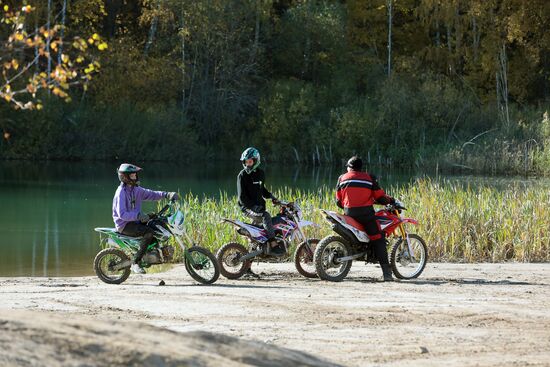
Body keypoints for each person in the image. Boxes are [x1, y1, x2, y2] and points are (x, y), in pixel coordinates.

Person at [335, 156, 395, 281]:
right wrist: (391, 200)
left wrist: (349, 205)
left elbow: (338, 201)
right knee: (378, 239)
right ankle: (387, 274)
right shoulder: (369, 178)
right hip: (366, 215)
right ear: (361, 167)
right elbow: (380, 198)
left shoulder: (341, 178)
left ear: (349, 167)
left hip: (348, 215)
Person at [112, 163, 179, 274]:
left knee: (155, 226)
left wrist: (167, 194)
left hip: (136, 221)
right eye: (132, 175)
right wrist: (138, 216)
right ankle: (135, 262)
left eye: (135, 175)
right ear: (124, 177)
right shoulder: (121, 193)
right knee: (148, 232)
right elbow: (121, 214)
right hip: (124, 225)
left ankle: (151, 256)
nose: (135, 177)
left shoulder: (135, 189)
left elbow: (151, 194)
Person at [237, 147, 283, 256]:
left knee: (257, 239)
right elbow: (241, 198)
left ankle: (248, 264)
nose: (248, 164)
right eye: (246, 162)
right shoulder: (242, 176)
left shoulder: (261, 173)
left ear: (256, 161)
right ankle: (273, 244)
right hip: (247, 208)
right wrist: (252, 207)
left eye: (250, 161)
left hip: (259, 208)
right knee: (266, 216)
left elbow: (262, 190)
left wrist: (272, 197)